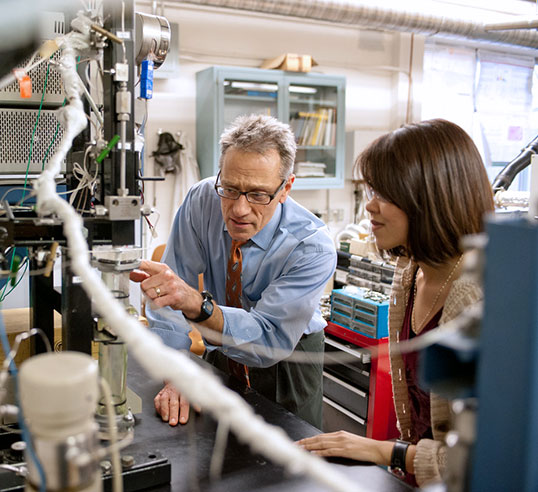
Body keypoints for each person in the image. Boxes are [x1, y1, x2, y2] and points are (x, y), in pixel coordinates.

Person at [297, 119, 495, 487]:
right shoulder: (410, 273)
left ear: (430, 198)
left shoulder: (484, 301)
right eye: (371, 190)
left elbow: (489, 459)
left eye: (384, 194)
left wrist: (384, 451)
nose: (369, 207)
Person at [130, 114, 337, 429]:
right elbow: (170, 292)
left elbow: (269, 338)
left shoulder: (311, 247)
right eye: (229, 189)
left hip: (287, 359)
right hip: (220, 347)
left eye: (258, 195)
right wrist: (178, 369)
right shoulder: (203, 201)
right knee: (214, 448)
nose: (239, 209)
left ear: (286, 188)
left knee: (292, 462)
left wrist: (199, 306)